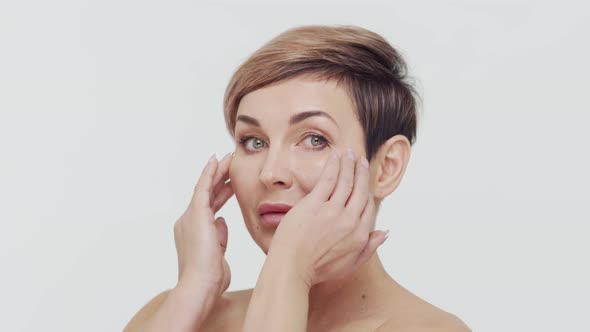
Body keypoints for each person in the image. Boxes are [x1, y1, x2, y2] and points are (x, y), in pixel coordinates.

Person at [124, 25, 471, 331]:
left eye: (314, 139)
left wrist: (289, 269)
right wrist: (193, 289)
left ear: (387, 166)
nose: (271, 173)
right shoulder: (173, 314)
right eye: (253, 142)